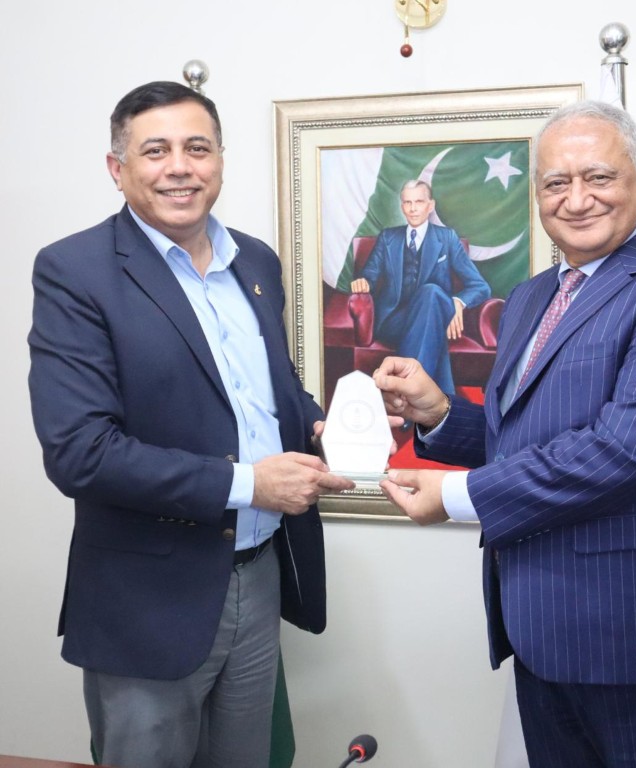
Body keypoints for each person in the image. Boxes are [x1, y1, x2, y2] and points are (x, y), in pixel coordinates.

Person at [373, 101, 636, 767]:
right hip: (541, 628)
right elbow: (525, 435)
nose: (577, 199)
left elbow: (624, 448)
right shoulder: (532, 297)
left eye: (599, 177)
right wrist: (438, 411)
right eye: (556, 183)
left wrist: (458, 498)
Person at [27, 81, 354, 768]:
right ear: (118, 169)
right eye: (156, 150)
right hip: (148, 599)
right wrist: (251, 484)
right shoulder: (75, 271)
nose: (180, 167)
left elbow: (270, 393)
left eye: (197, 148)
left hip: (260, 573)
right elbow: (81, 452)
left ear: (220, 161)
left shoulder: (254, 261)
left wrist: (335, 424)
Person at [349, 179, 490, 394]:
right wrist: (363, 282)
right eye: (408, 202)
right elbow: (370, 275)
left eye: (419, 202)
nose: (413, 208)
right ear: (402, 206)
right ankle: (440, 396)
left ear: (430, 205)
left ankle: (409, 391)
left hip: (434, 312)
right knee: (431, 313)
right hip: (394, 320)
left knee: (430, 293)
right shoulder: (388, 238)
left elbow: (480, 286)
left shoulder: (447, 238)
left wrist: (458, 302)